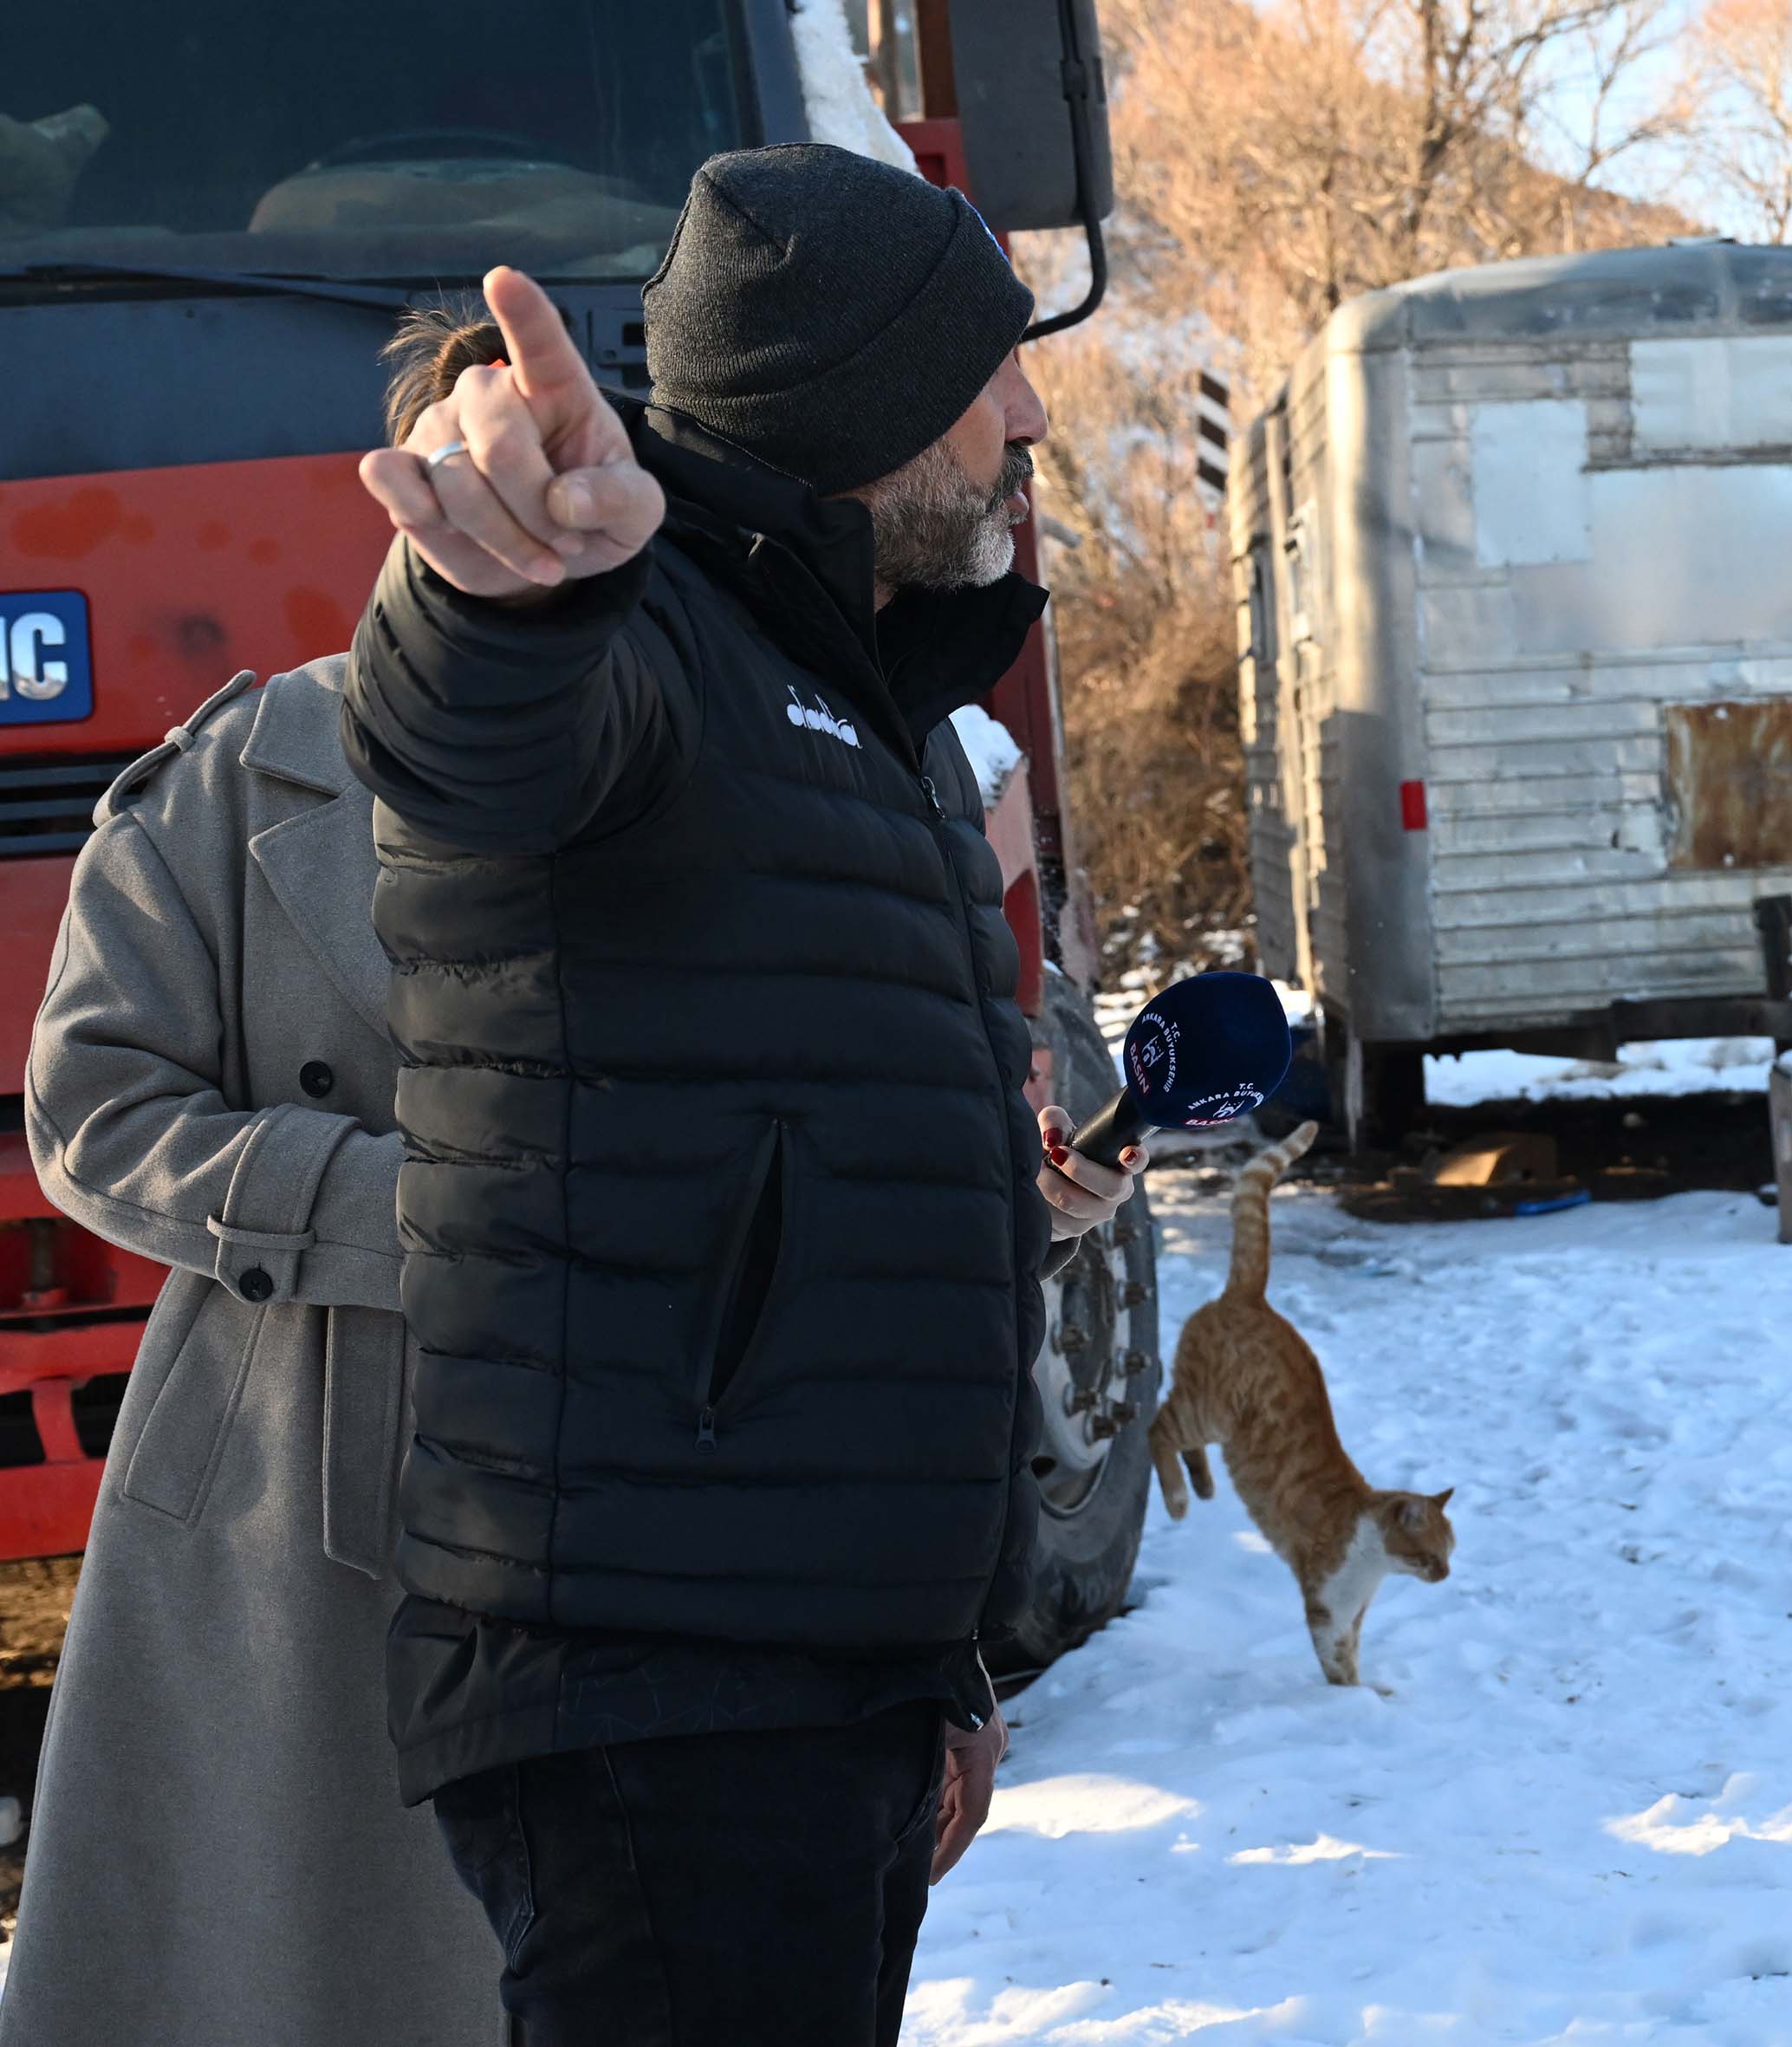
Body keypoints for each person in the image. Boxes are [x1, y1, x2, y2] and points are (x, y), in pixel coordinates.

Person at [341, 144, 1138, 2044]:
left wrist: (932, 1652)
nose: (1028, 412)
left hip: (809, 1667)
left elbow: (824, 1199)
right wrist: (501, 602)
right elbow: (471, 733)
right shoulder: (643, 637)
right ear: (861, 394)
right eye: (990, 370)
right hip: (654, 1674)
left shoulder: (864, 715)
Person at [0, 310, 512, 2047]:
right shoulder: (236, 775)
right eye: (461, 454)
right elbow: (87, 1108)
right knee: (283, 1966)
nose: (496, 492)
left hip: (616, 1487)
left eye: (544, 452)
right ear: (399, 489)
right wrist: (402, 1205)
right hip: (288, 1492)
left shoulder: (695, 777)